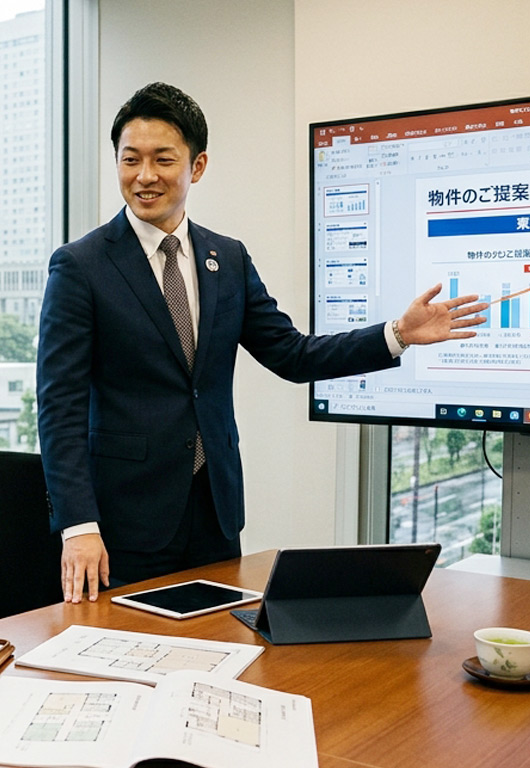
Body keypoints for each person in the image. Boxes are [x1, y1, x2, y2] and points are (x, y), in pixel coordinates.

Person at [36, 83, 488, 603]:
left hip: (215, 512)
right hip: (123, 520)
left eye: (163, 159)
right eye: (130, 160)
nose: (145, 176)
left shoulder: (227, 259)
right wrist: (78, 526)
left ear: (196, 166)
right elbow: (60, 408)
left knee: (218, 652)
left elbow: (293, 355)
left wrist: (395, 336)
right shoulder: (80, 266)